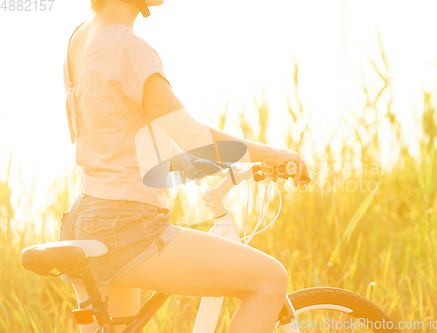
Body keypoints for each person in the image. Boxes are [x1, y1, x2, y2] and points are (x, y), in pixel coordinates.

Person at [59, 0, 310, 332]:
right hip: (127, 226)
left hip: (86, 216)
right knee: (270, 280)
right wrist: (274, 154)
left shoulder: (79, 39)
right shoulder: (128, 47)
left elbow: (120, 134)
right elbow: (194, 137)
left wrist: (193, 166)